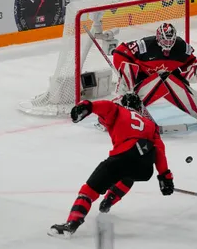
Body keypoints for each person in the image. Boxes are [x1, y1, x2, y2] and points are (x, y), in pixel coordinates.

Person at [48, 93, 174, 238]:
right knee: (128, 172)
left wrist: (87, 106)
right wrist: (165, 176)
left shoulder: (118, 110)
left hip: (123, 156)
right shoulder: (150, 125)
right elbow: (159, 150)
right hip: (145, 167)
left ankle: (71, 224)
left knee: (89, 190)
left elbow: (105, 107)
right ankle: (109, 201)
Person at [110, 22, 197, 127]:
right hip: (141, 78)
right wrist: (129, 87)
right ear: (158, 37)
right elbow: (120, 52)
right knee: (130, 97)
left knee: (167, 79)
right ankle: (112, 115)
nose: (168, 44)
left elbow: (189, 64)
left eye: (170, 41)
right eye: (165, 40)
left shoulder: (181, 47)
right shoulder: (145, 45)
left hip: (164, 77)